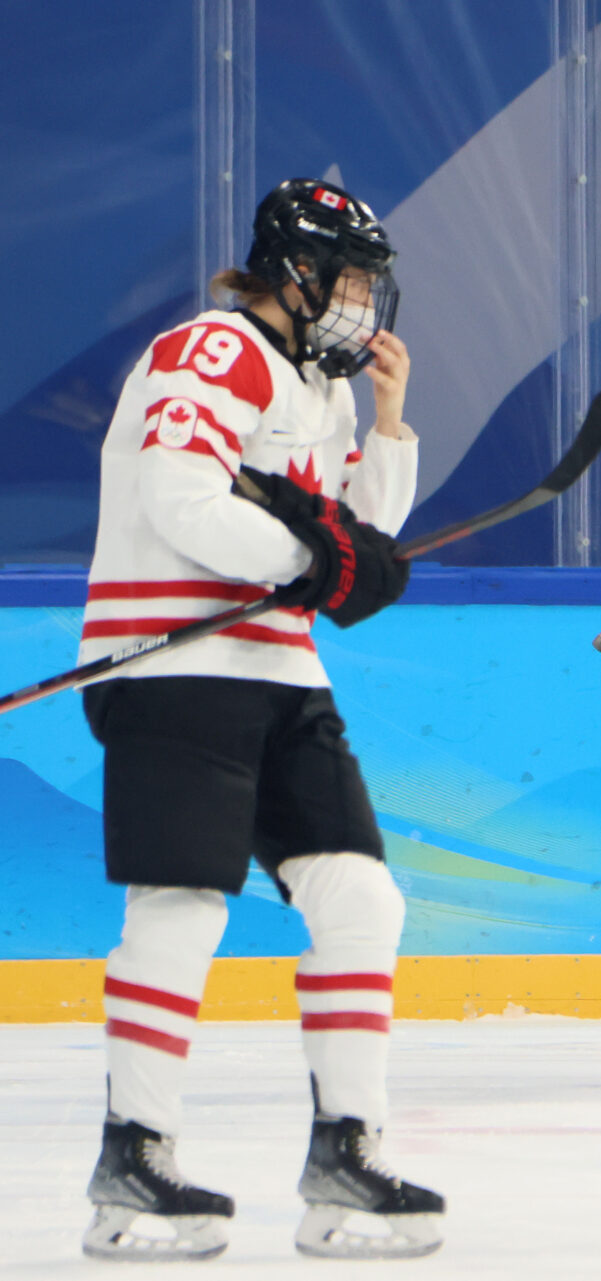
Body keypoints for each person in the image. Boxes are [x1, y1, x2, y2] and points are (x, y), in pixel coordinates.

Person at [76, 178, 442, 1260]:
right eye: (349, 279)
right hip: (173, 666)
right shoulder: (213, 352)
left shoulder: (322, 387)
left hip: (279, 676)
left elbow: (355, 541)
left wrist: (390, 426)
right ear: (294, 272)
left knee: (361, 898)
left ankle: (347, 1154)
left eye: (372, 284)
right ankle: (133, 1156)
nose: (361, 302)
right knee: (183, 903)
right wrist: (313, 558)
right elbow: (180, 499)